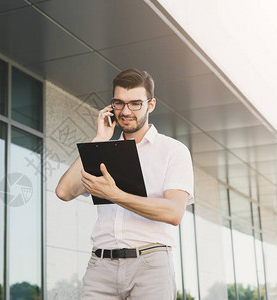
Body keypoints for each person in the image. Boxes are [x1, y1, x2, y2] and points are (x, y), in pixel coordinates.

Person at [55, 68, 194, 300]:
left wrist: (115, 194)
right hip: (101, 267)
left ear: (151, 105)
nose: (125, 111)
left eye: (135, 104)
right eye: (119, 103)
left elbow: (174, 212)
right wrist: (99, 140)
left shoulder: (173, 151)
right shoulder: (103, 150)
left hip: (150, 266)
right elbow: (64, 191)